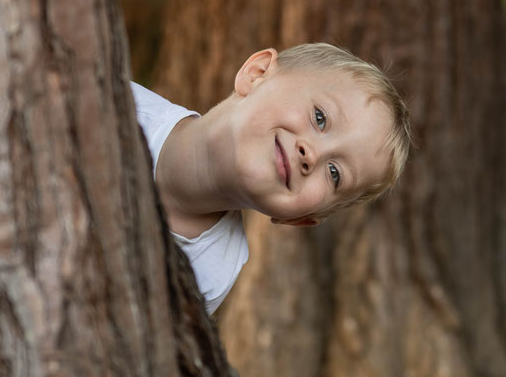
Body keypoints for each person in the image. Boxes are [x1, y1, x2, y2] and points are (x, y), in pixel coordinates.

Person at [132, 43, 412, 314]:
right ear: (257, 73)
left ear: (300, 218)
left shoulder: (210, 274)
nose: (312, 155)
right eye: (320, 117)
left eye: (335, 173)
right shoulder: (116, 104)